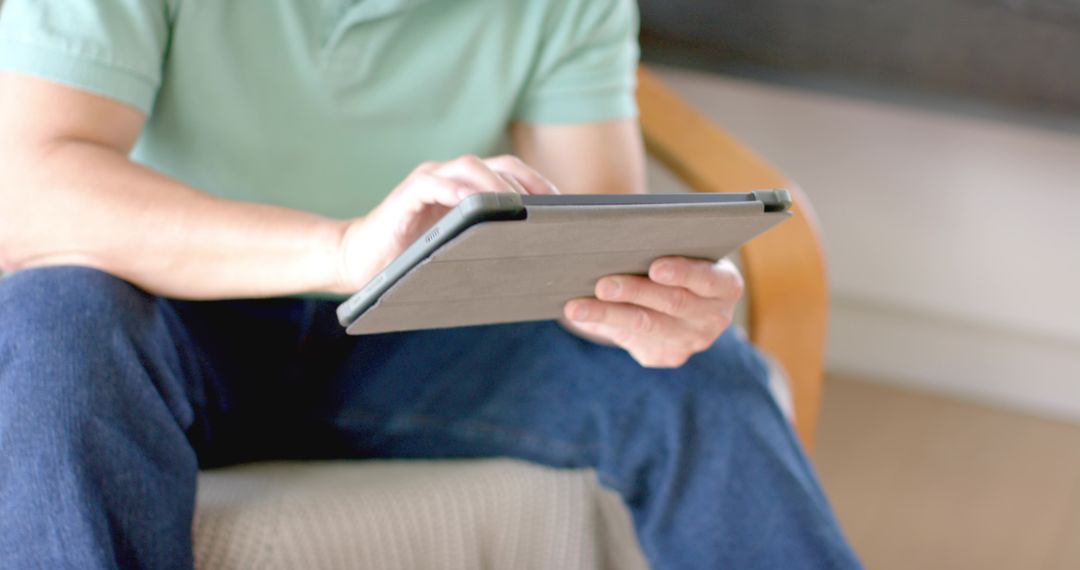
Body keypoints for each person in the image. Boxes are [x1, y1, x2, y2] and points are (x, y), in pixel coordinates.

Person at [0, 1, 860, 568]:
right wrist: (343, 248)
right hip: (173, 320)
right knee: (58, 322)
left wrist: (651, 299)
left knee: (704, 378)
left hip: (422, 334)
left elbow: (590, 234)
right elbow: (29, 187)